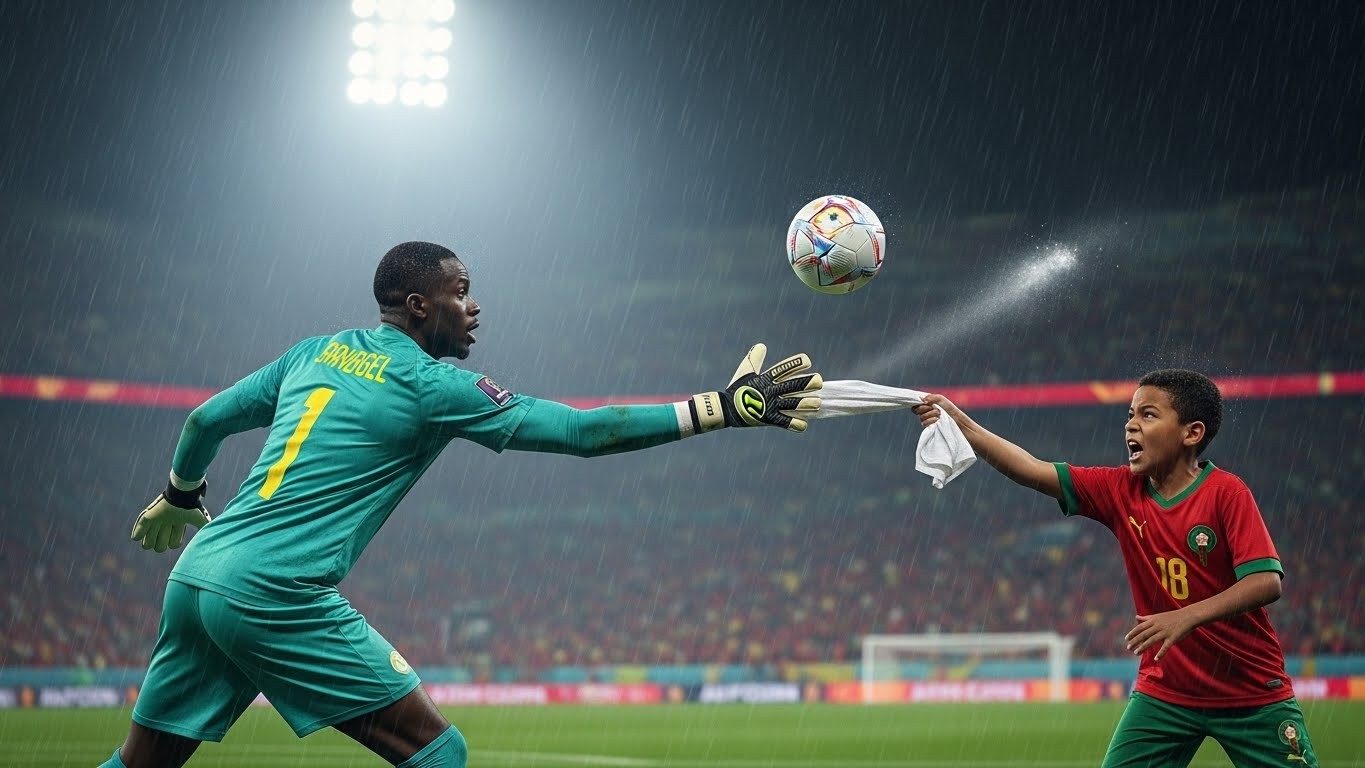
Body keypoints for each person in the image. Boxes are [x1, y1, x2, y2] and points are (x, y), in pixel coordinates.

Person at [104, 240, 823, 768]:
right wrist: (719, 410)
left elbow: (203, 421)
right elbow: (582, 430)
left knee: (141, 767)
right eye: (461, 290)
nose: (473, 306)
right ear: (420, 305)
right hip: (272, 589)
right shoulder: (431, 386)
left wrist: (179, 494)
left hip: (198, 572)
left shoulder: (311, 353)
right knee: (439, 754)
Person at [912, 369, 1318, 767]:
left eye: (1148, 415)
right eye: (1130, 415)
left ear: (1192, 433)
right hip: (1166, 694)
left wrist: (1186, 617)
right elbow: (1031, 469)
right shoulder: (1119, 490)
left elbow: (1266, 581)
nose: (1131, 426)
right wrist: (958, 421)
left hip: (1249, 691)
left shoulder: (1227, 493)